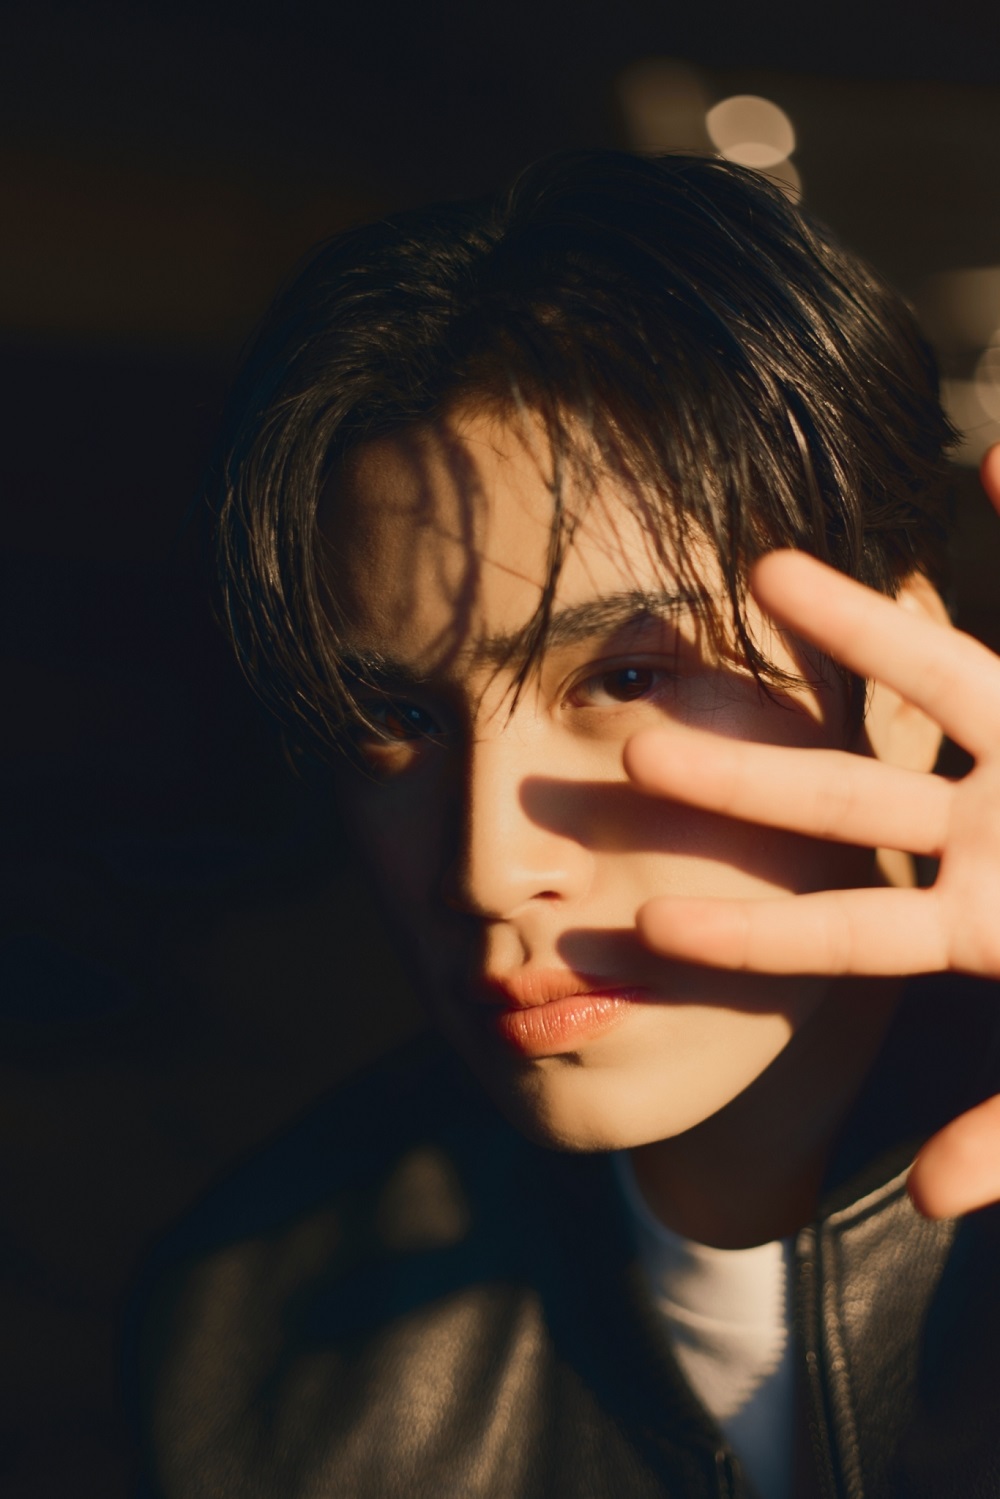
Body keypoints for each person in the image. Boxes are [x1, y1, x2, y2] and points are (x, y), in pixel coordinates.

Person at [134, 151, 1000, 1498]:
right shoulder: (249, 1350)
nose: (488, 868)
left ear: (898, 682)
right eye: (395, 720)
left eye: (628, 681)